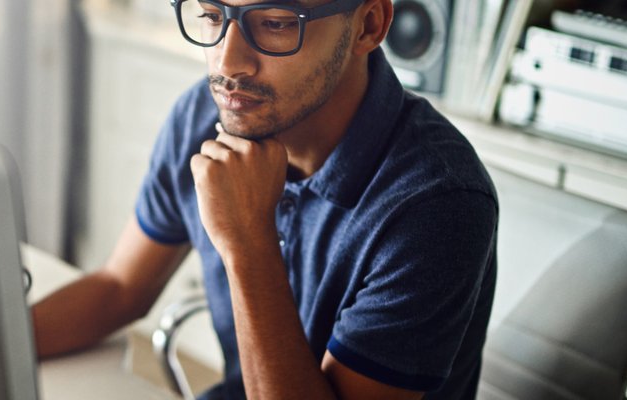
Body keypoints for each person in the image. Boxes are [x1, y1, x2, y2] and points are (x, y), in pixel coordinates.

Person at [32, 0, 498, 398]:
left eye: (275, 22)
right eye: (214, 16)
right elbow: (120, 287)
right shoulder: (202, 113)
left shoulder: (438, 204)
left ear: (368, 25)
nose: (227, 63)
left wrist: (248, 241)